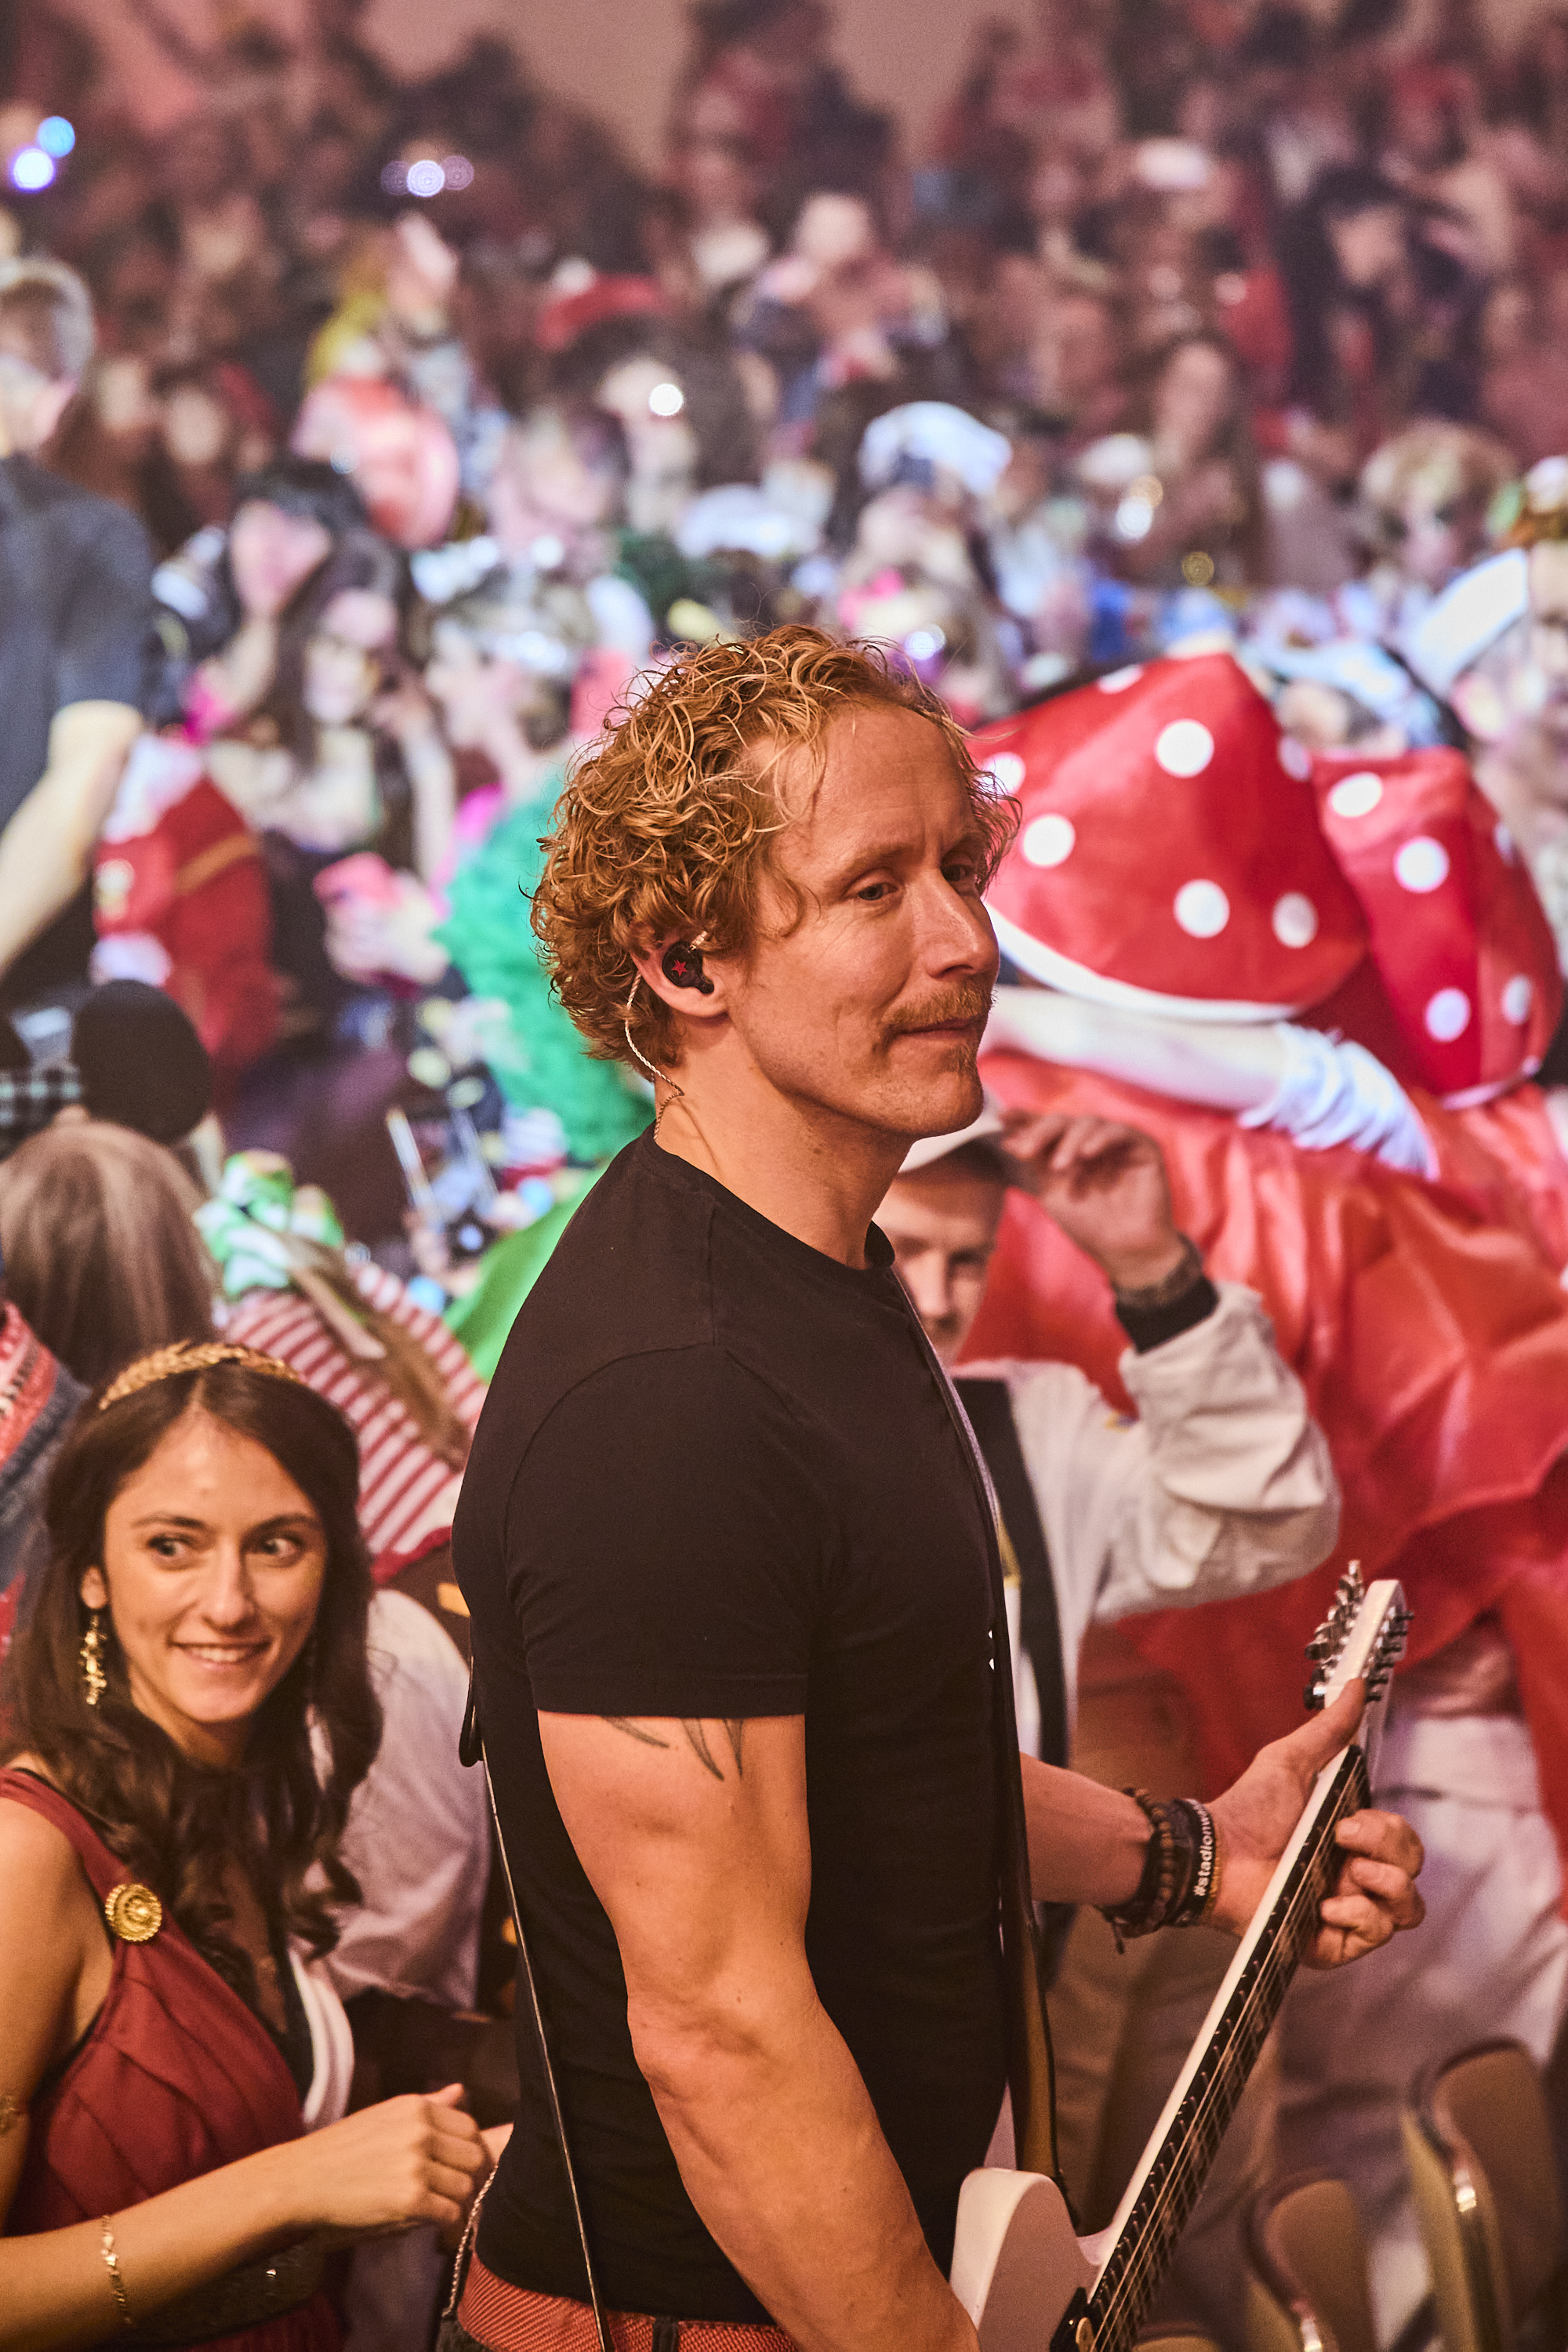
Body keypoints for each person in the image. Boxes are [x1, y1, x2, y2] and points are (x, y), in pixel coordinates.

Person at [452, 625, 1422, 2352]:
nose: (966, 940)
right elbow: (721, 2036)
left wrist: (1191, 1854)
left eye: (961, 871)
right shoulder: (670, 1399)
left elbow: (881, 1753)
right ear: (686, 959)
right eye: (872, 889)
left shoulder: (822, 1281)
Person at [878, 1115, 1337, 2348]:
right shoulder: (725, 1439)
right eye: (905, 1248)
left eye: (968, 1260)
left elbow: (1265, 1517)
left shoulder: (1025, 1427)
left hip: (1006, 1999)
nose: (940, 1297)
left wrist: (1151, 1270)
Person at [0, 1339, 493, 2347]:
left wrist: (454, 2160)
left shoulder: (234, 1816)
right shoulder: (27, 1854)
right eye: (171, 1546)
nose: (228, 1603)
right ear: (91, 1572)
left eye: (275, 1545)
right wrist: (292, 2186)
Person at [0, 259, 152, 1011]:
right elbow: (78, 795)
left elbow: (79, 791)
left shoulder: (88, 540)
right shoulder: (96, 538)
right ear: (58, 401)